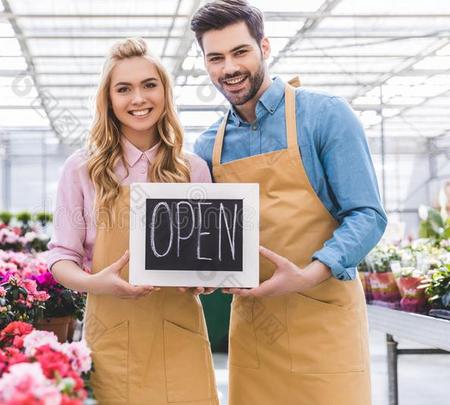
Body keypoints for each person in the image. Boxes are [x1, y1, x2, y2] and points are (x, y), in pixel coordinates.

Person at [189, 1, 387, 404]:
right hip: (255, 332)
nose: (229, 68)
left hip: (323, 320)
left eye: (240, 51)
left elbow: (367, 215)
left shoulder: (325, 116)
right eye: (216, 57)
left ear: (265, 46)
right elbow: (212, 240)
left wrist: (309, 274)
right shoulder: (209, 145)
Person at [47, 38, 219, 405]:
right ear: (108, 100)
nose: (138, 99)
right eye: (124, 89)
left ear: (165, 92)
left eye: (149, 85)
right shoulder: (82, 169)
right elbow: (61, 257)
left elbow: (207, 261)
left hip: (180, 332)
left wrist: (207, 280)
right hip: (111, 333)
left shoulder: (193, 169)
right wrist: (98, 282)